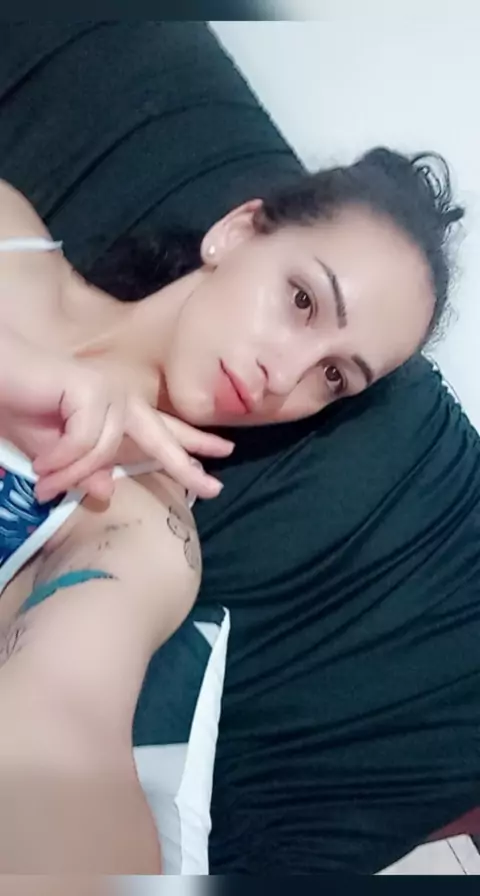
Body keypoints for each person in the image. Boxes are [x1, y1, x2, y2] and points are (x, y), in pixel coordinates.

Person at [0, 146, 463, 873]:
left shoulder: (141, 527)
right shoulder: (11, 235)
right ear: (237, 232)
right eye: (302, 301)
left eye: (333, 375)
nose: (284, 375)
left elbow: (69, 718)